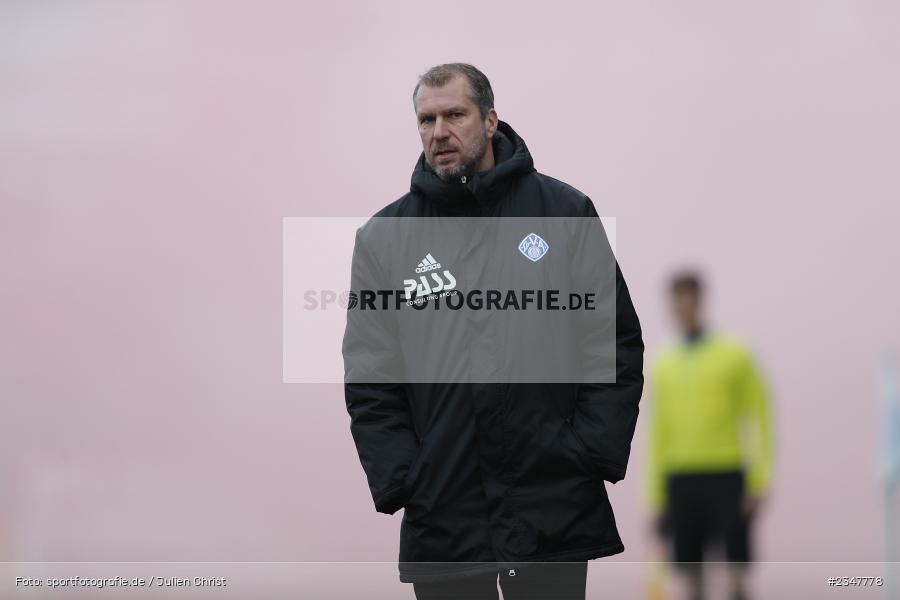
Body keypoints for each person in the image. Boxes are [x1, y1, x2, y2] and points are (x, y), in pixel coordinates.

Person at [342, 63, 644, 599]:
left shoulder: (565, 213)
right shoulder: (384, 238)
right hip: (444, 509)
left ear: (490, 119)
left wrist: (587, 451)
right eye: (427, 120)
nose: (440, 131)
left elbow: (612, 343)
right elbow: (370, 375)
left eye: (454, 115)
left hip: (552, 501)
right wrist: (407, 476)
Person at [646, 272, 774, 600]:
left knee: (736, 576)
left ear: (700, 301)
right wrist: (656, 497)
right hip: (681, 479)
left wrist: (759, 479)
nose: (682, 308)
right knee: (691, 581)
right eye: (677, 302)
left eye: (688, 300)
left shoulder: (735, 354)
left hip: (726, 474)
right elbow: (658, 433)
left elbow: (762, 415)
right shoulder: (664, 363)